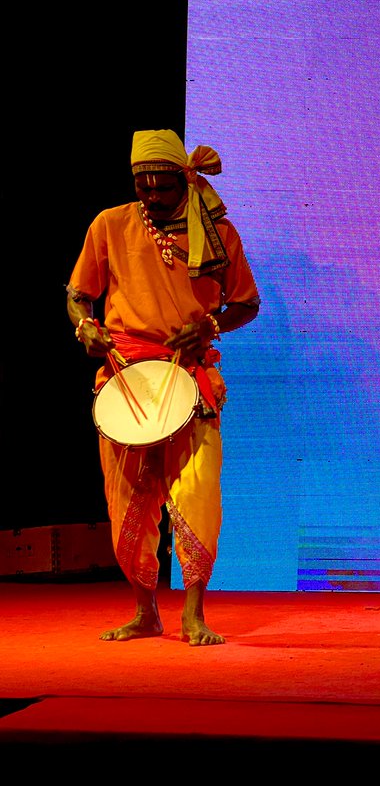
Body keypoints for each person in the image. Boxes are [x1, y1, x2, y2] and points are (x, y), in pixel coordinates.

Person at [67, 129, 260, 646]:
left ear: (183, 178)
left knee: (196, 494)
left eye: (162, 185)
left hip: (190, 378)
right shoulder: (110, 225)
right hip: (126, 376)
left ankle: (193, 614)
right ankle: (145, 611)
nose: (151, 195)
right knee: (127, 499)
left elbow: (246, 302)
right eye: (142, 184)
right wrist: (84, 326)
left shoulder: (217, 234)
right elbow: (78, 295)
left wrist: (211, 324)